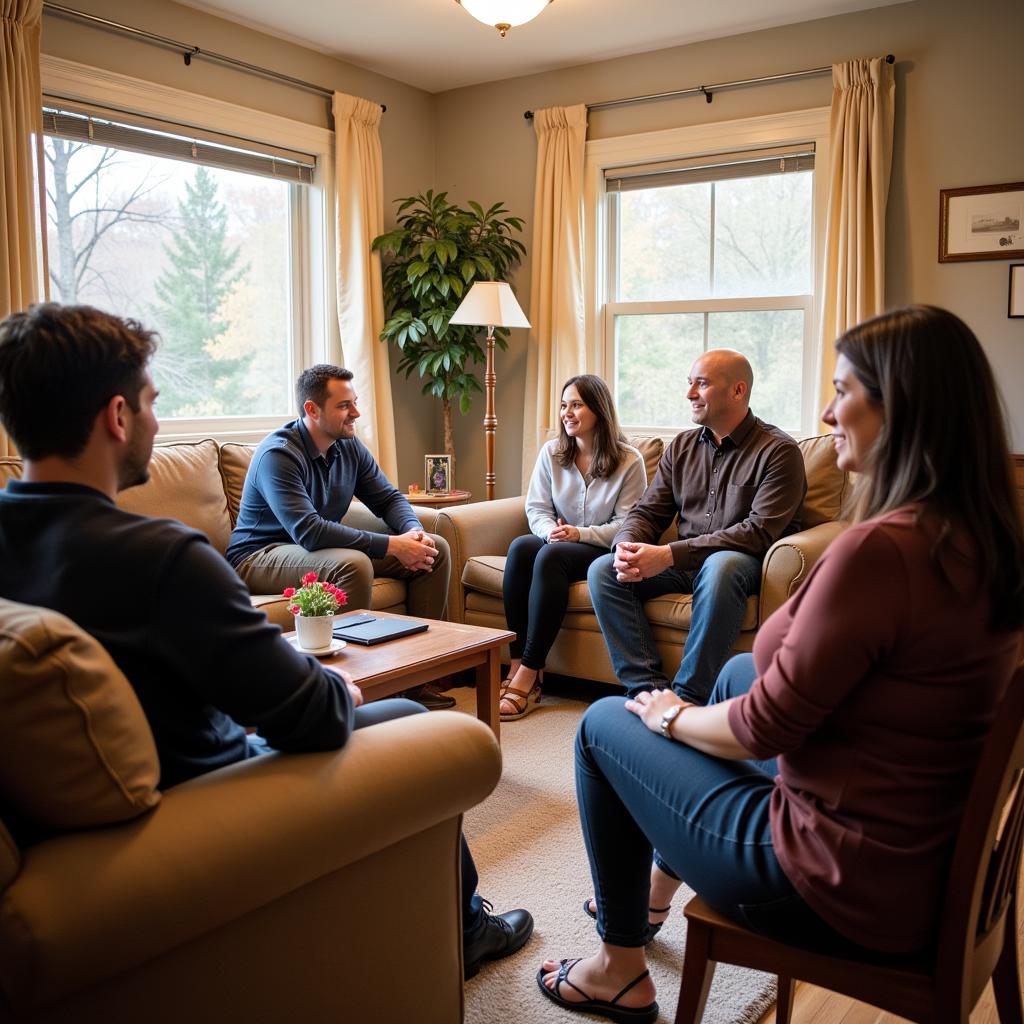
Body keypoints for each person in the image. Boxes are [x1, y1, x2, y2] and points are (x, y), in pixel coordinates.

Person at [0, 303, 533, 981]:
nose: (157, 422)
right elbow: (307, 718)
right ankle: (468, 928)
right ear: (116, 417)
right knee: (410, 719)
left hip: (68, 826)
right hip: (205, 795)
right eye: (152, 403)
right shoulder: (163, 557)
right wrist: (332, 684)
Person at [536, 306, 1024, 1022]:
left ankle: (618, 967)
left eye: (842, 390)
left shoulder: (882, 550)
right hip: (920, 853)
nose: (827, 412)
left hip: (825, 881)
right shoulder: (981, 534)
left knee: (606, 726)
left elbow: (759, 732)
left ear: (902, 407)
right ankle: (658, 889)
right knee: (735, 676)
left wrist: (672, 716)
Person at [225, 363, 455, 708]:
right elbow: (310, 531)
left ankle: (414, 682)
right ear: (312, 410)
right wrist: (393, 546)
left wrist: (414, 533)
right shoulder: (279, 454)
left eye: (355, 402)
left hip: (309, 548)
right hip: (258, 555)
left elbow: (388, 498)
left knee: (435, 550)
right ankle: (355, 688)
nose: (356, 413)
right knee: (352, 564)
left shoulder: (348, 445)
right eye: (345, 406)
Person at [587, 348, 806, 706]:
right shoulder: (682, 447)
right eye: (690, 384)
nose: (689, 394)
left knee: (722, 566)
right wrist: (626, 547)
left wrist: (669, 555)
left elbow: (758, 531)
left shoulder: (779, 451)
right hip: (684, 565)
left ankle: (688, 699)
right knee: (604, 570)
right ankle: (647, 692)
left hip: (744, 564)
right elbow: (647, 512)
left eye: (701, 384)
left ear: (738, 391)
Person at [499, 374, 647, 720]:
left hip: (600, 549)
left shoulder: (629, 461)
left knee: (552, 556)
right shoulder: (552, 452)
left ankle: (530, 671)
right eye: (564, 405)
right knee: (521, 548)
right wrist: (551, 531)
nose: (567, 412)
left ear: (599, 409)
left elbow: (629, 525)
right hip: (559, 540)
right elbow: (536, 507)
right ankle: (518, 661)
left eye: (576, 404)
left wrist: (578, 534)